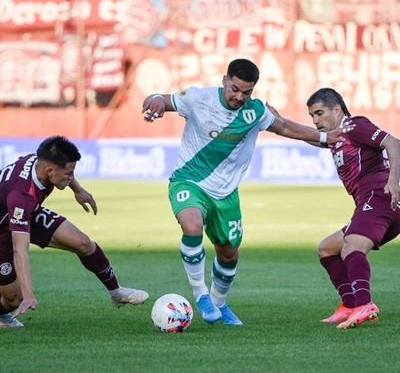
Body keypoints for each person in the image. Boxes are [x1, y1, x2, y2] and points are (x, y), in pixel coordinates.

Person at [142, 59, 350, 325]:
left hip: (226, 192)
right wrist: (156, 100)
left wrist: (324, 139)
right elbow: (161, 98)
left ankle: (219, 302)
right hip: (189, 181)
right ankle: (201, 294)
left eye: (247, 92)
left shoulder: (256, 111)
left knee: (229, 252)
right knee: (192, 227)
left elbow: (285, 126)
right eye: (235, 89)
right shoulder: (198, 98)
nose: (239, 97)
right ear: (224, 80)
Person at [0, 136, 149, 328]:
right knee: (14, 299)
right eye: (68, 173)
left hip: (25, 212)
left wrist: (78, 190)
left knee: (83, 243)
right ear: (50, 171)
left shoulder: (41, 164)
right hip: (4, 229)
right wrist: (28, 295)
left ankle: (116, 292)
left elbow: (63, 175)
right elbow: (20, 249)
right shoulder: (21, 194)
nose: (70, 177)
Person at [306, 87, 400, 329]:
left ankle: (364, 304)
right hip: (373, 203)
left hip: (380, 197)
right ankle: (349, 305)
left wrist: (393, 179)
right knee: (328, 249)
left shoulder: (354, 126)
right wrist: (279, 124)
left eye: (319, 113)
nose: (316, 121)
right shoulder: (338, 137)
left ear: (336, 110)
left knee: (352, 247)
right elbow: (313, 138)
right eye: (312, 116)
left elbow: (393, 142)